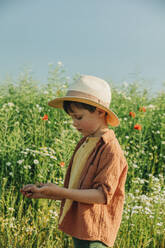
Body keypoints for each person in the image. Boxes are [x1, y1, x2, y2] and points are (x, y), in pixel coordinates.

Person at [21, 75, 128, 248]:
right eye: (72, 118)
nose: (74, 123)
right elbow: (79, 190)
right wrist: (46, 192)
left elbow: (101, 196)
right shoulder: (85, 143)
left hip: (94, 234)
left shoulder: (110, 149)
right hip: (81, 228)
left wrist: (61, 192)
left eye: (78, 117)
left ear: (100, 111)